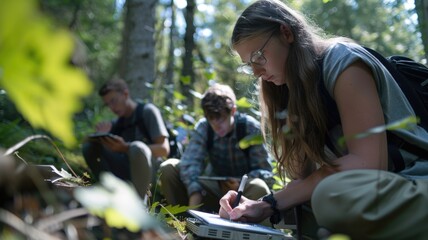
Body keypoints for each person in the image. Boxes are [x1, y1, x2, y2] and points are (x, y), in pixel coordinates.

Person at [218, 0, 428, 239]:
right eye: (249, 65)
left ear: (286, 33)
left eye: (258, 57)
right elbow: (303, 178)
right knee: (303, 206)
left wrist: (271, 204)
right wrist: (256, 206)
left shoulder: (344, 62)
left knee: (328, 196)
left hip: (415, 178)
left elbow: (368, 164)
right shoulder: (291, 89)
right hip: (375, 193)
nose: (256, 72)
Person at [159, 83, 274, 212]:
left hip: (244, 193)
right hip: (213, 192)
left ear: (233, 111)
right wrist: (194, 190)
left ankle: (246, 228)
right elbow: (190, 163)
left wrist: (241, 182)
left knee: (258, 186)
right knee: (169, 167)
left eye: (221, 119)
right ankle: (182, 219)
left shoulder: (250, 128)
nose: (216, 125)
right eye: (211, 119)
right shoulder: (204, 127)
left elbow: (266, 172)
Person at [82, 78, 170, 201]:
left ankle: (141, 205)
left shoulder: (148, 112)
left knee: (137, 147)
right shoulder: (117, 123)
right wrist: (102, 138)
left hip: (152, 174)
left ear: (125, 94)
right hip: (127, 172)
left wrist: (126, 148)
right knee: (89, 148)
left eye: (114, 101)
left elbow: (164, 150)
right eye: (108, 104)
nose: (112, 107)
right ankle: (108, 193)